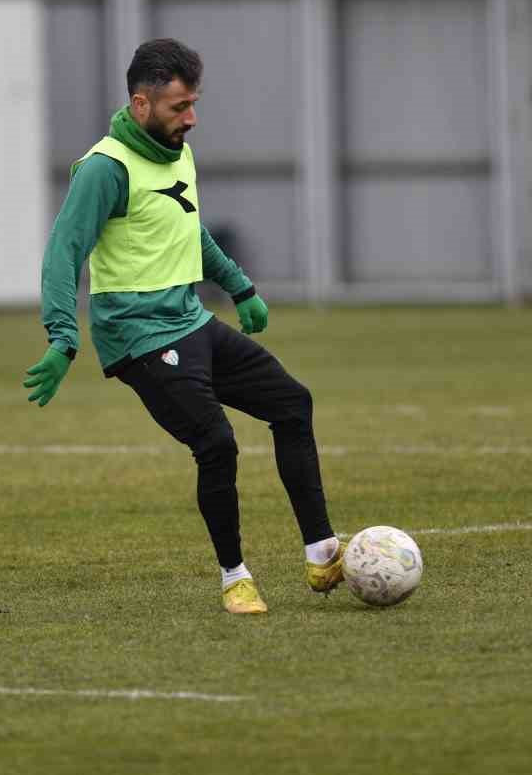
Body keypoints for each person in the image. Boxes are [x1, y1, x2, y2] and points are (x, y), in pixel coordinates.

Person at [22, 38, 343, 615]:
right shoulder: (104, 169)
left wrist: (240, 287)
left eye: (193, 104)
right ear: (141, 104)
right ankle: (235, 577)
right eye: (179, 107)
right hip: (137, 335)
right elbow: (63, 252)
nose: (190, 118)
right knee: (215, 443)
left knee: (293, 404)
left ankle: (322, 552)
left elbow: (187, 229)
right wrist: (63, 337)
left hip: (189, 319)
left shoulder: (177, 152)